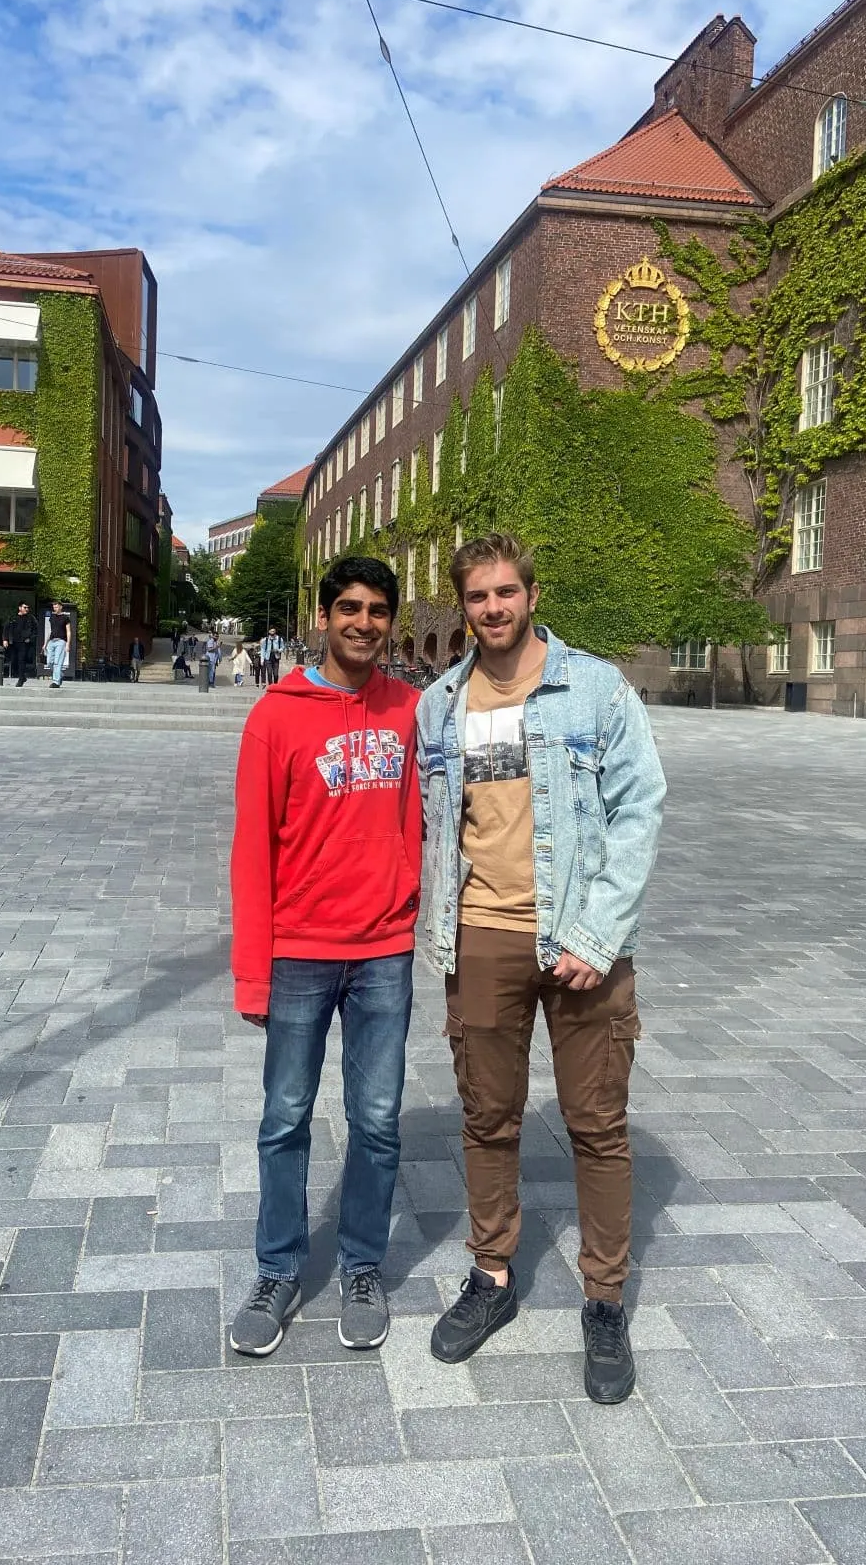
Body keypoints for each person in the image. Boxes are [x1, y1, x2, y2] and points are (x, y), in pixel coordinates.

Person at [416, 532, 665, 1404]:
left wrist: (597, 936)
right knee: (489, 1117)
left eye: (506, 593)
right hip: (481, 934)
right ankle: (492, 1276)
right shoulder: (440, 702)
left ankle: (604, 1297)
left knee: (597, 1125)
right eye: (478, 596)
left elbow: (641, 807)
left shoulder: (593, 687)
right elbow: (433, 824)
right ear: (463, 603)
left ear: (531, 594)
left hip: (580, 937)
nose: (493, 608)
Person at [228, 557, 421, 1359]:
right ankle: (277, 1270)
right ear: (322, 613)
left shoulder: (412, 710)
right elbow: (250, 850)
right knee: (285, 1119)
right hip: (300, 952)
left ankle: (362, 1266)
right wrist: (251, 968)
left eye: (378, 610)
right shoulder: (276, 716)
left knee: (376, 1122)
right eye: (350, 607)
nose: (364, 623)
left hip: (384, 949)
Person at [3, 601, 39, 687]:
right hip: (13, 642)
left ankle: (20, 679)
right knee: (14, 661)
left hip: (24, 643)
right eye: (25, 607)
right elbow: (6, 628)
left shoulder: (31, 618)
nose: (27, 609)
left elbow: (36, 630)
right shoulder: (13, 617)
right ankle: (22, 676)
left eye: (27, 608)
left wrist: (30, 639)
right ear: (20, 608)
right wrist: (5, 639)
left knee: (21, 660)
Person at [45, 602, 71, 689]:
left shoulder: (65, 618)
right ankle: (60, 674)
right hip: (51, 641)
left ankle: (56, 682)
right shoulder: (52, 617)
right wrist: (45, 643)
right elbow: (50, 631)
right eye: (53, 607)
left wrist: (68, 644)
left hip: (61, 641)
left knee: (57, 662)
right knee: (49, 662)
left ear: (61, 607)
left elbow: (68, 631)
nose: (54, 608)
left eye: (56, 607)